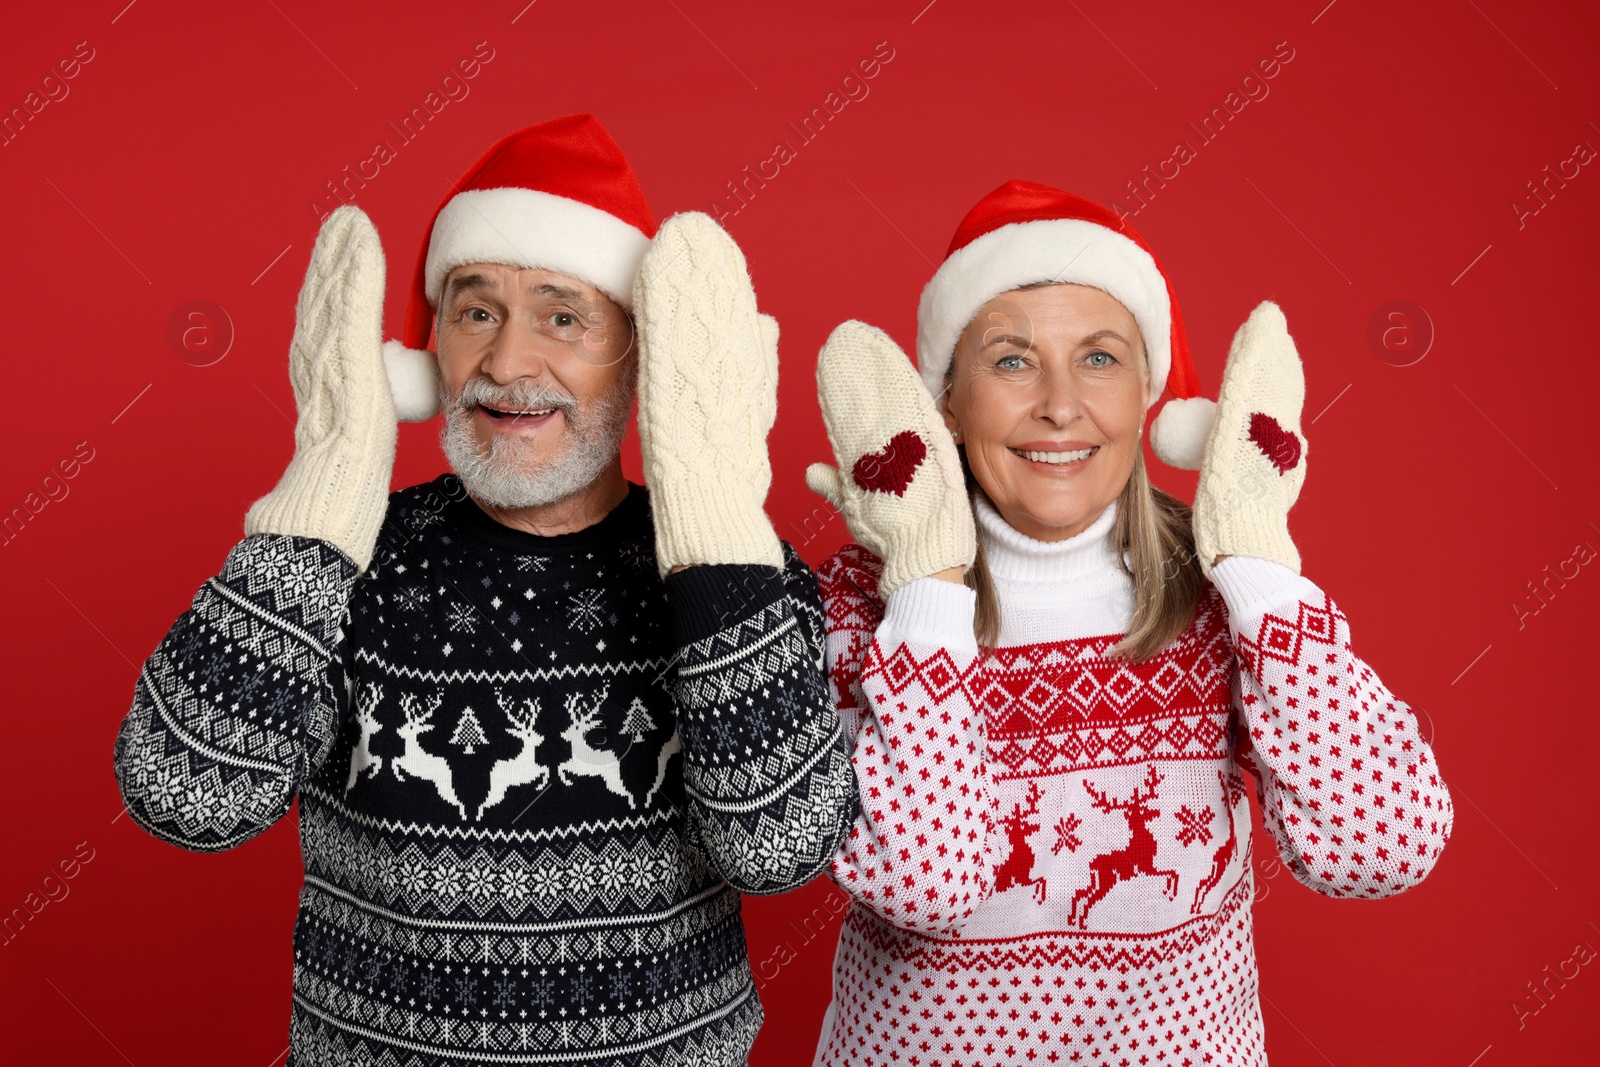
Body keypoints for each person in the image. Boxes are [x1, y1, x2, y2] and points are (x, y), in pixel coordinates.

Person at [111, 113, 855, 1066]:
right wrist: (326, 482)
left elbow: (781, 848)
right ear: (425, 356)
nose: (507, 365)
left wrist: (710, 513)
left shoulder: (738, 568)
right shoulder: (351, 553)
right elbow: (186, 795)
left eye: (562, 315)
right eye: (476, 311)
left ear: (643, 354)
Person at [803, 180, 1453, 1066]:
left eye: (1101, 358)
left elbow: (1382, 843)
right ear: (945, 402)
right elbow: (927, 883)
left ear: (1150, 390)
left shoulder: (1224, 597)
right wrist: (926, 580)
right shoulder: (857, 605)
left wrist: (1258, 562)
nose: (1061, 405)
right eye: (1011, 359)